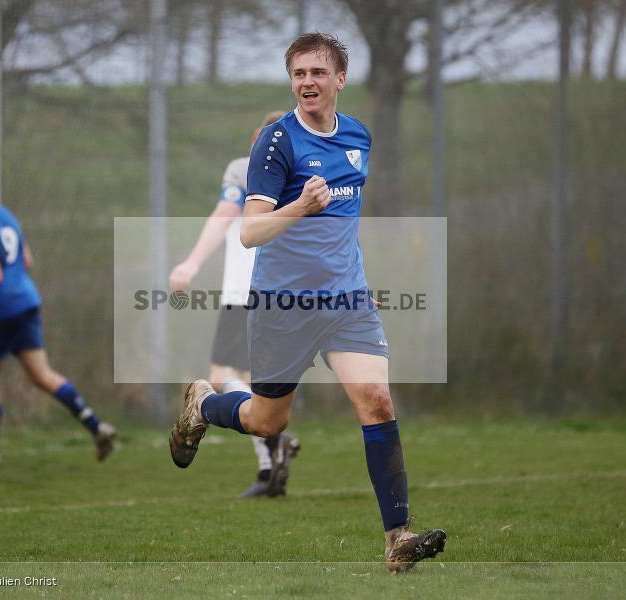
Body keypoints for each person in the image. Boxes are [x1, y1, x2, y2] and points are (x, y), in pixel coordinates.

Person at [169, 33, 445, 573]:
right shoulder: (276, 142)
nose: (308, 82)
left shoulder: (359, 136)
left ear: (340, 78)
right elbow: (249, 232)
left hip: (347, 301)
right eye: (298, 74)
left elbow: (342, 222)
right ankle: (203, 405)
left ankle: (398, 539)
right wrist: (300, 206)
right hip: (282, 307)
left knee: (377, 401)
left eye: (318, 72)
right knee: (268, 421)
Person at [0, 165, 116, 464]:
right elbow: (27, 259)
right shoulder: (3, 214)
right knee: (41, 374)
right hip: (26, 301)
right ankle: (96, 425)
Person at [169, 112, 300, 498]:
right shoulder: (310, 172)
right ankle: (266, 470)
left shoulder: (246, 168)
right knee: (251, 379)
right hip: (291, 295)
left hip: (248, 291)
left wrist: (191, 263)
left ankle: (276, 441)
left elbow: (223, 214)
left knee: (221, 373)